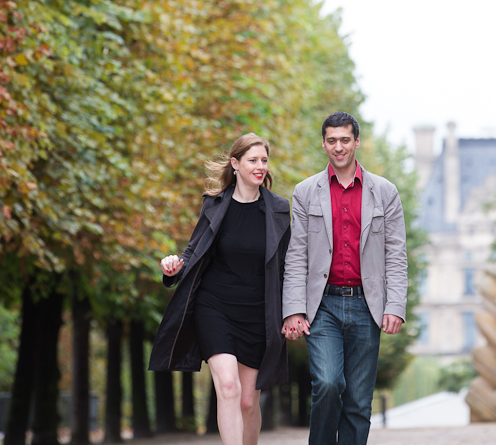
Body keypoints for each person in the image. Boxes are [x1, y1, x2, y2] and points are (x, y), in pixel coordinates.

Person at [148, 133, 291, 445]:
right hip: (215, 308)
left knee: (248, 402)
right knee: (228, 387)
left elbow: (285, 268)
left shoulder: (279, 210)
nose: (260, 166)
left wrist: (294, 313)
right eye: (253, 160)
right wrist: (174, 266)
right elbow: (192, 253)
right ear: (235, 163)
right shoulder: (214, 206)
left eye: (264, 160)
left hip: (257, 313)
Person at [282, 112, 408, 445]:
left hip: (367, 306)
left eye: (345, 140)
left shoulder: (385, 192)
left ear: (357, 142)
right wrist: (293, 309)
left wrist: (394, 306)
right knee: (327, 383)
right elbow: (296, 254)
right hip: (321, 305)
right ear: (324, 143)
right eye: (332, 140)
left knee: (358, 402)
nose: (339, 147)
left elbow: (396, 255)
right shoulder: (306, 192)